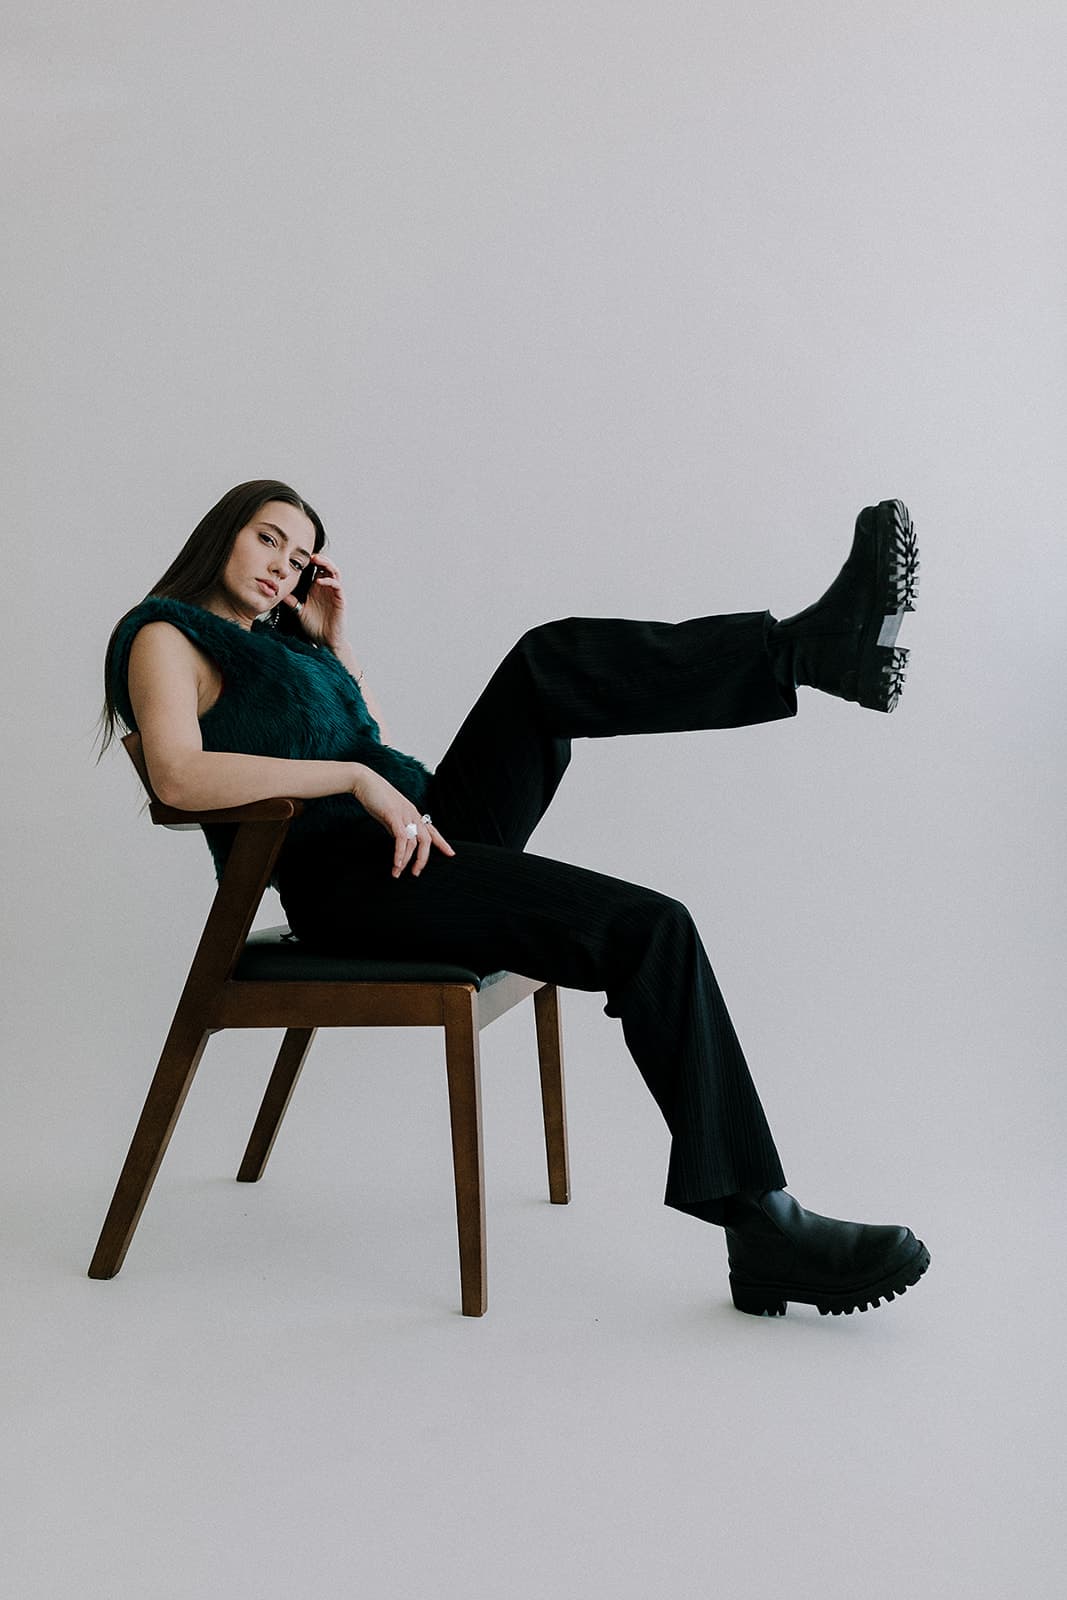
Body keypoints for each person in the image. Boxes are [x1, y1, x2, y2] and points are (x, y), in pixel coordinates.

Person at [102, 479, 929, 1318]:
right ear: (222, 535)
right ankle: (762, 1225)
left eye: (300, 553)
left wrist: (334, 648)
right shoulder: (165, 634)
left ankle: (805, 651)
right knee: (651, 927)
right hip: (349, 883)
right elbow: (178, 774)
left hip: (416, 843)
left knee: (546, 661)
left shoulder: (283, 644)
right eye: (268, 539)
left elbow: (368, 746)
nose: (284, 566)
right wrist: (352, 777)